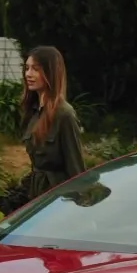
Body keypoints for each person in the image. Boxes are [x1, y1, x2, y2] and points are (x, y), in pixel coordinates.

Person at [19, 45, 86, 202]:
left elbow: (75, 168)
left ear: (50, 72)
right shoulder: (33, 111)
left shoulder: (64, 115)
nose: (28, 74)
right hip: (36, 199)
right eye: (27, 68)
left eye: (35, 69)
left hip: (58, 201)